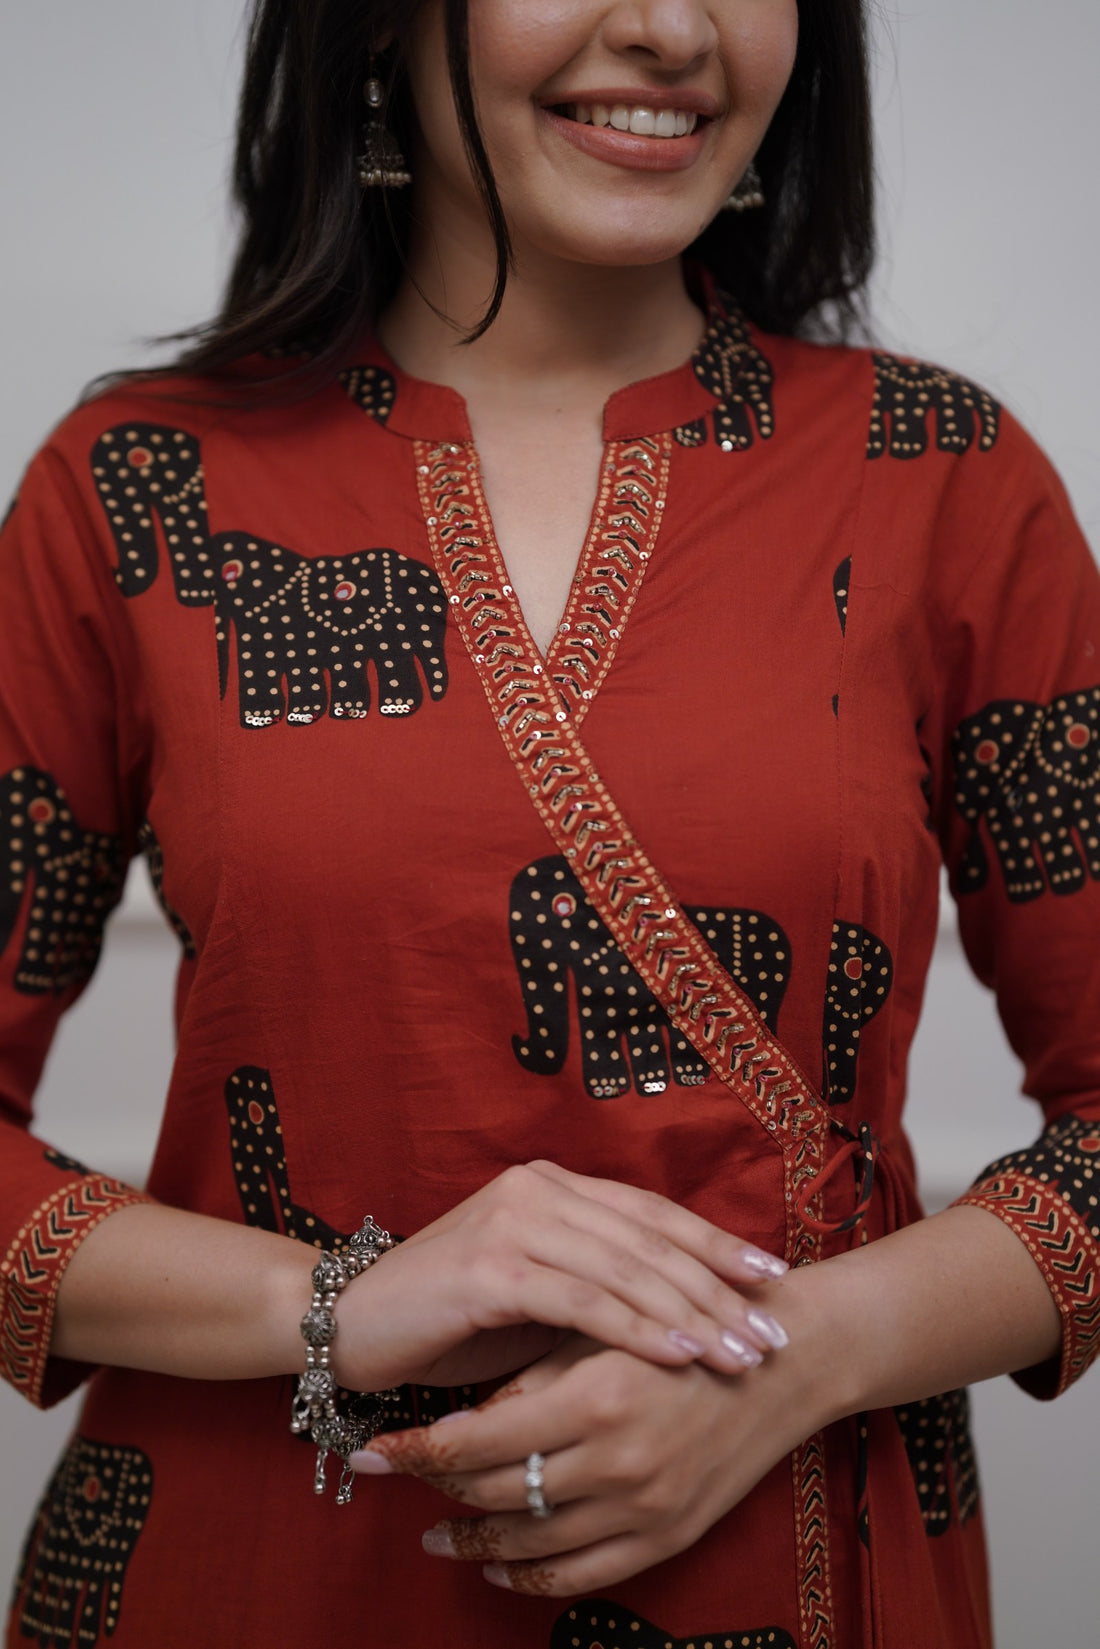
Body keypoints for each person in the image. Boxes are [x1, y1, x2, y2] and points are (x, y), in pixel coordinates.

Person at [1, 1, 1096, 1645]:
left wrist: (793, 1360)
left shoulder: (941, 478)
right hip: (256, 1575)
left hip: (795, 1565)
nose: (667, 28)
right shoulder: (137, 491)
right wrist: (337, 1302)